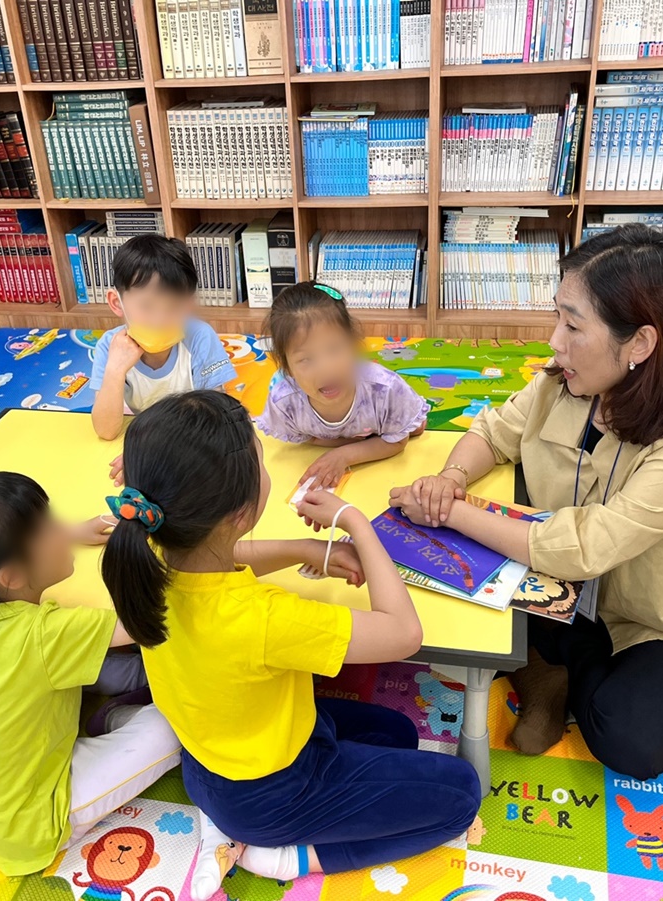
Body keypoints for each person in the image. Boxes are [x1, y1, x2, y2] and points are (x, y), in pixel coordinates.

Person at [391, 225, 663, 780]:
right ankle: (547, 662)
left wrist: (453, 512)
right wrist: (450, 478)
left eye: (574, 325)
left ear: (640, 344)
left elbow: (589, 546)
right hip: (563, 584)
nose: (555, 340)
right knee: (435, 597)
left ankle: (550, 665)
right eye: (558, 317)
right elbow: (494, 432)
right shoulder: (567, 379)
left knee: (632, 740)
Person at [102, 390, 480, 900]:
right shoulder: (266, 617)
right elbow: (403, 634)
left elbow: (225, 556)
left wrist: (308, 549)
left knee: (396, 733)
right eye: (262, 461)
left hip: (214, 763)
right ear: (242, 511)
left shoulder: (147, 555)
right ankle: (288, 857)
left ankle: (232, 826)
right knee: (461, 794)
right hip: (272, 794)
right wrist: (355, 523)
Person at [0, 472, 181, 877]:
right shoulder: (44, 635)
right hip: (32, 823)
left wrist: (72, 532)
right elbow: (153, 621)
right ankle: (117, 716)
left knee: (94, 662)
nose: (62, 527)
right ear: (11, 576)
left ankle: (114, 711)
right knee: (173, 727)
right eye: (49, 526)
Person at [256, 282, 427, 488]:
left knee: (415, 427)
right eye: (306, 359)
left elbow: (398, 441)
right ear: (287, 367)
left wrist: (343, 456)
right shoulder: (285, 402)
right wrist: (354, 442)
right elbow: (306, 437)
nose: (326, 369)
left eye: (334, 349)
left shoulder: (385, 389)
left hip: (384, 435)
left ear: (353, 343)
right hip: (355, 434)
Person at [89, 234, 236, 440]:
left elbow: (217, 417)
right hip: (146, 438)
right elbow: (106, 431)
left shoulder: (199, 337)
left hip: (192, 438)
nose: (159, 320)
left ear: (189, 303)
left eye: (174, 307)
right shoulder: (110, 346)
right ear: (116, 302)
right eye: (146, 306)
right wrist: (115, 370)